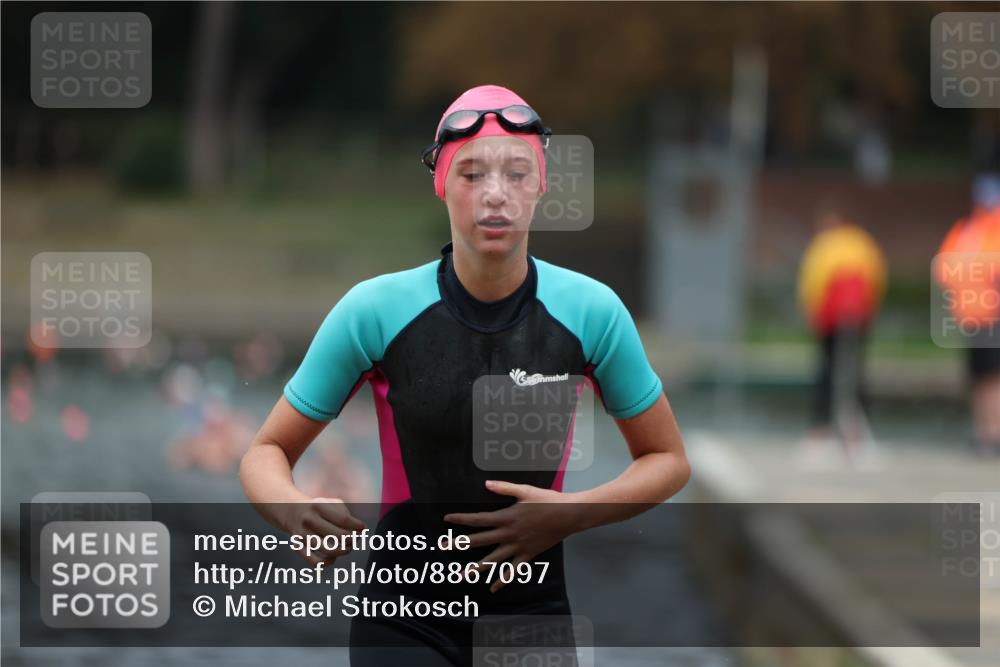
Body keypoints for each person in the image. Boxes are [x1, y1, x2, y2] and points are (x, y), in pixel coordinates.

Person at [239, 84, 691, 665]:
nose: (495, 194)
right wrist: (292, 509)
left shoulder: (591, 312)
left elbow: (667, 460)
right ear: (440, 183)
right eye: (472, 174)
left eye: (517, 173)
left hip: (531, 621)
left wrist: (572, 513)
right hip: (402, 623)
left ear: (542, 184)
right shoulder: (374, 311)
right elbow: (266, 452)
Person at [796, 207, 887, 465]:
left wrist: (810, 311)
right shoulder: (863, 244)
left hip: (831, 317)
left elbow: (813, 280)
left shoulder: (824, 244)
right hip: (858, 316)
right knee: (855, 372)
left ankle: (821, 431)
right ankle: (856, 434)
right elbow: (877, 277)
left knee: (827, 371)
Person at [936, 173, 1000, 456]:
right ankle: (984, 431)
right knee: (978, 377)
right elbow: (944, 268)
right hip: (972, 316)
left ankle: (994, 432)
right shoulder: (966, 231)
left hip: (994, 315)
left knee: (993, 378)